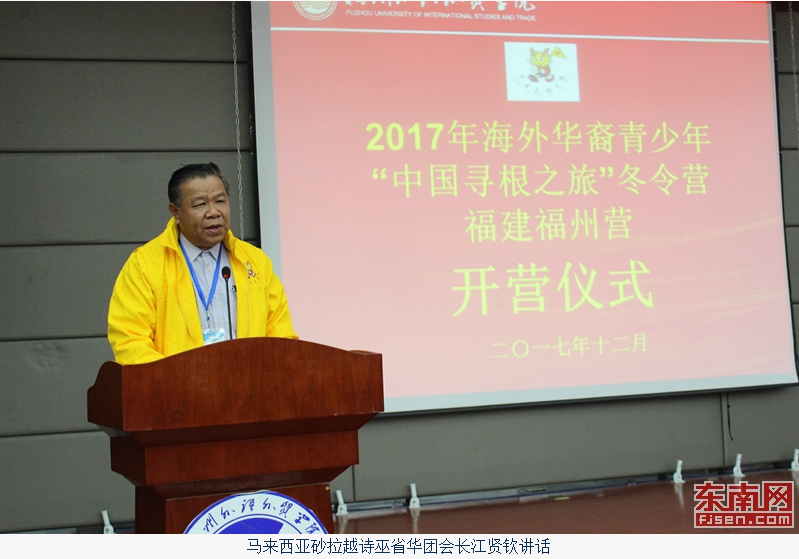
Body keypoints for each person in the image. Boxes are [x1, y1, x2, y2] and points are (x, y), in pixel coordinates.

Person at [108, 163, 297, 364]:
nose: (214, 212)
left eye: (220, 201)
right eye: (200, 204)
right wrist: (178, 380)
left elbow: (281, 339)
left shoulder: (255, 261)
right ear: (175, 212)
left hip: (248, 382)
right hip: (177, 384)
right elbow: (130, 342)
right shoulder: (144, 265)